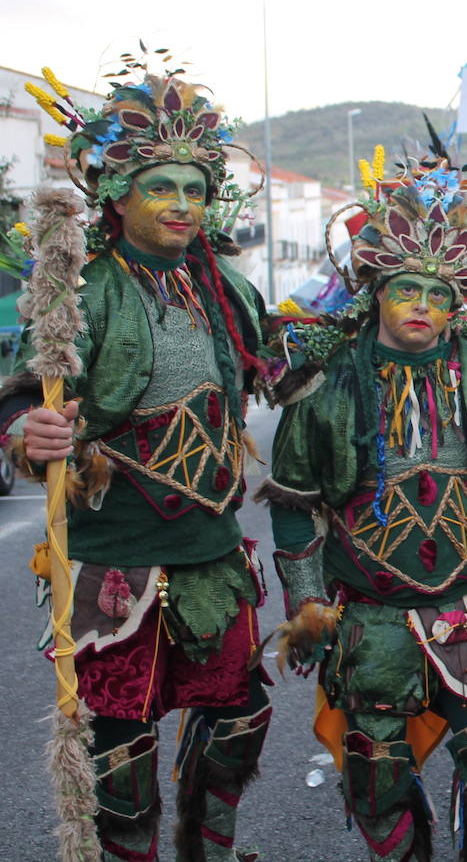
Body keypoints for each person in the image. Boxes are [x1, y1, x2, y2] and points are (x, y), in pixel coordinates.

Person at [1, 69, 271, 860]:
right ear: (118, 194)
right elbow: (22, 398)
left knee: (243, 718)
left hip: (213, 553)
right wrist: (29, 435)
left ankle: (208, 849)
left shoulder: (227, 288)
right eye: (161, 186)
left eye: (195, 185)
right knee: (121, 754)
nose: (183, 203)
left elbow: (282, 367)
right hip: (116, 560)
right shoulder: (82, 291)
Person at [257, 156, 467, 861]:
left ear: (456, 302)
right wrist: (306, 604)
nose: (423, 303)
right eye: (407, 288)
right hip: (370, 618)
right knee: (376, 782)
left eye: (438, 292)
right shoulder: (325, 385)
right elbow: (294, 504)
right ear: (375, 290)